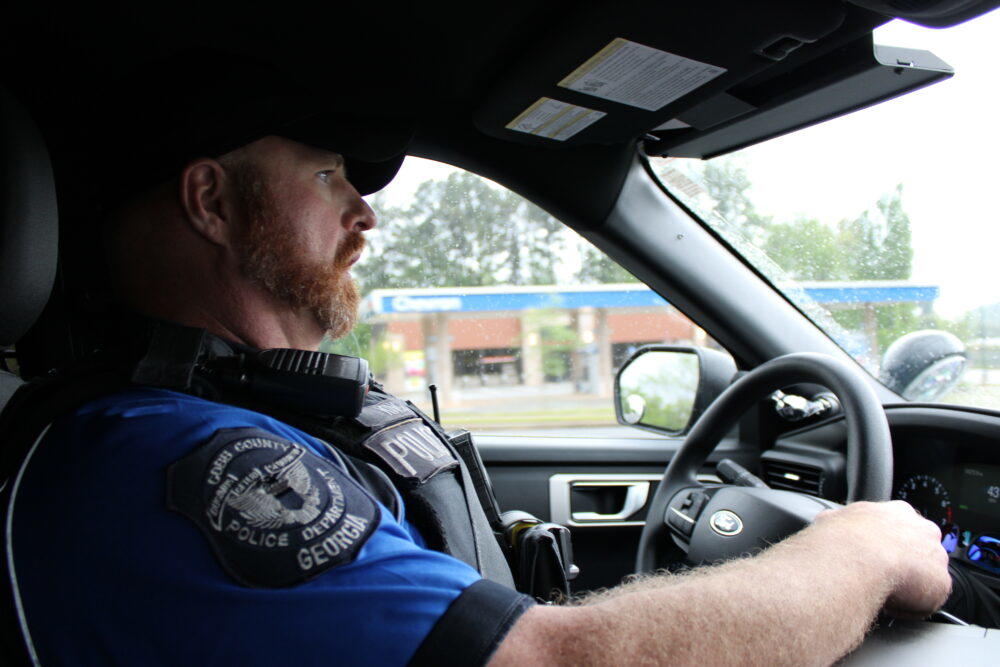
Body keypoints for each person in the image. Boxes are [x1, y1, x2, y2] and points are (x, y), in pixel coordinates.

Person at [6, 58, 951, 666]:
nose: (365, 215)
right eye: (329, 175)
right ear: (211, 199)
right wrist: (863, 547)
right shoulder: (163, 458)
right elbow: (549, 665)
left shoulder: (208, 424)